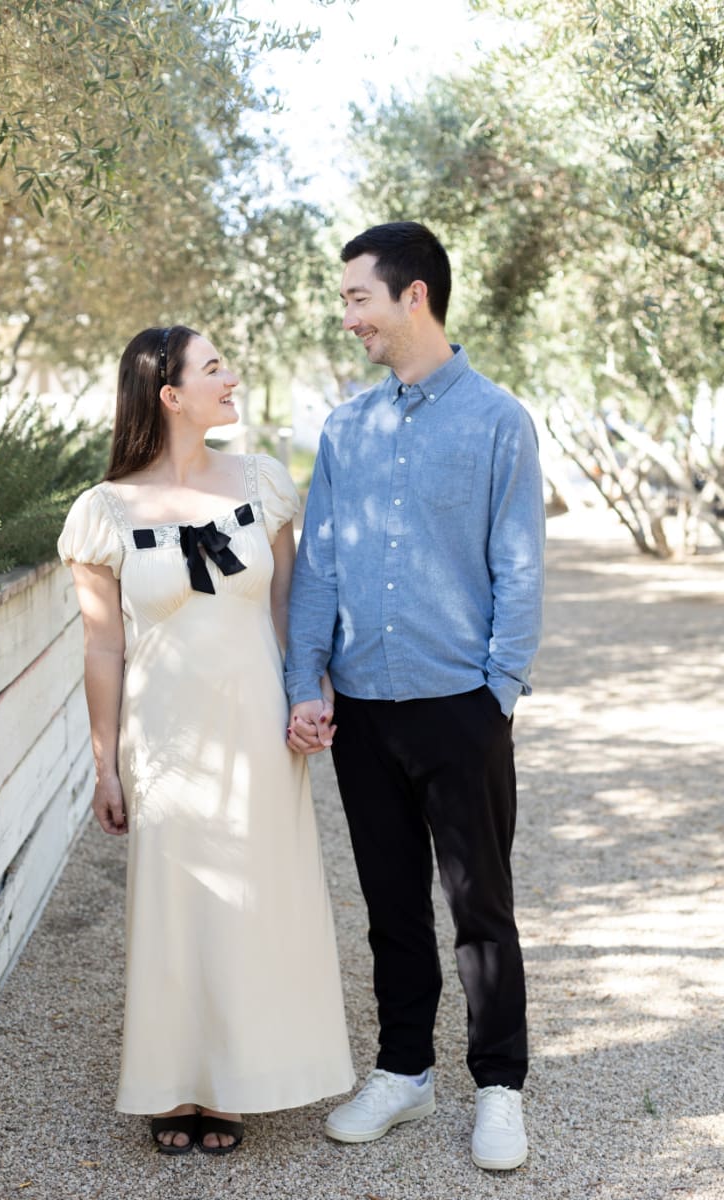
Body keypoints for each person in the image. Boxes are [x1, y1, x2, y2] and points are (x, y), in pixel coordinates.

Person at [285, 222, 544, 1172]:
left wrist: (498, 693)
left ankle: (499, 1087)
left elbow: (519, 565)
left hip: (458, 706)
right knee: (390, 902)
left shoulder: (496, 420)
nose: (347, 314)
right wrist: (301, 679)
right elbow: (318, 566)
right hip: (361, 709)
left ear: (413, 298)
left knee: (480, 904)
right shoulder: (345, 428)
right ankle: (403, 1070)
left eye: (358, 297)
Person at [57, 325, 353, 1157]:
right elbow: (102, 645)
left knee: (258, 901)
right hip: (167, 739)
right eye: (214, 367)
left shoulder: (262, 484)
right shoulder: (102, 512)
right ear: (169, 393)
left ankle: (238, 1079)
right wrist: (104, 761)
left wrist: (310, 694)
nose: (232, 378)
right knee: (178, 904)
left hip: (257, 727)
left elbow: (294, 605)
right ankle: (174, 1085)